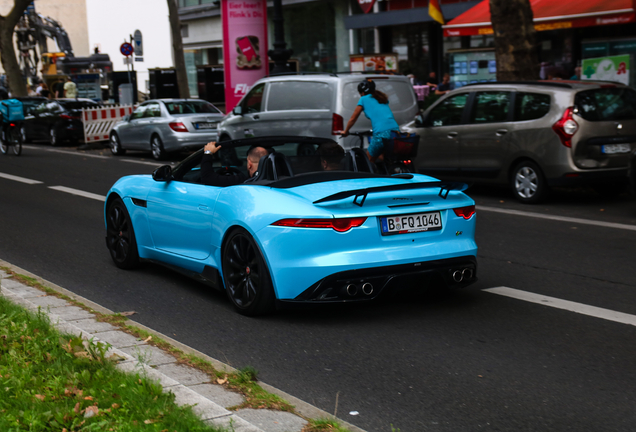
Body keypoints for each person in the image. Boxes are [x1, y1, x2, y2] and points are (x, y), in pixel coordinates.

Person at [340, 79, 399, 163]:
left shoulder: (363, 99)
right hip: (395, 132)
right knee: (383, 156)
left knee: (369, 161)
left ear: (362, 93)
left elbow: (353, 118)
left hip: (381, 134)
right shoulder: (381, 98)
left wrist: (346, 131)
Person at [200, 141, 268, 186]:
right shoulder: (276, 177)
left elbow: (207, 177)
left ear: (249, 164)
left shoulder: (242, 181)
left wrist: (208, 153)